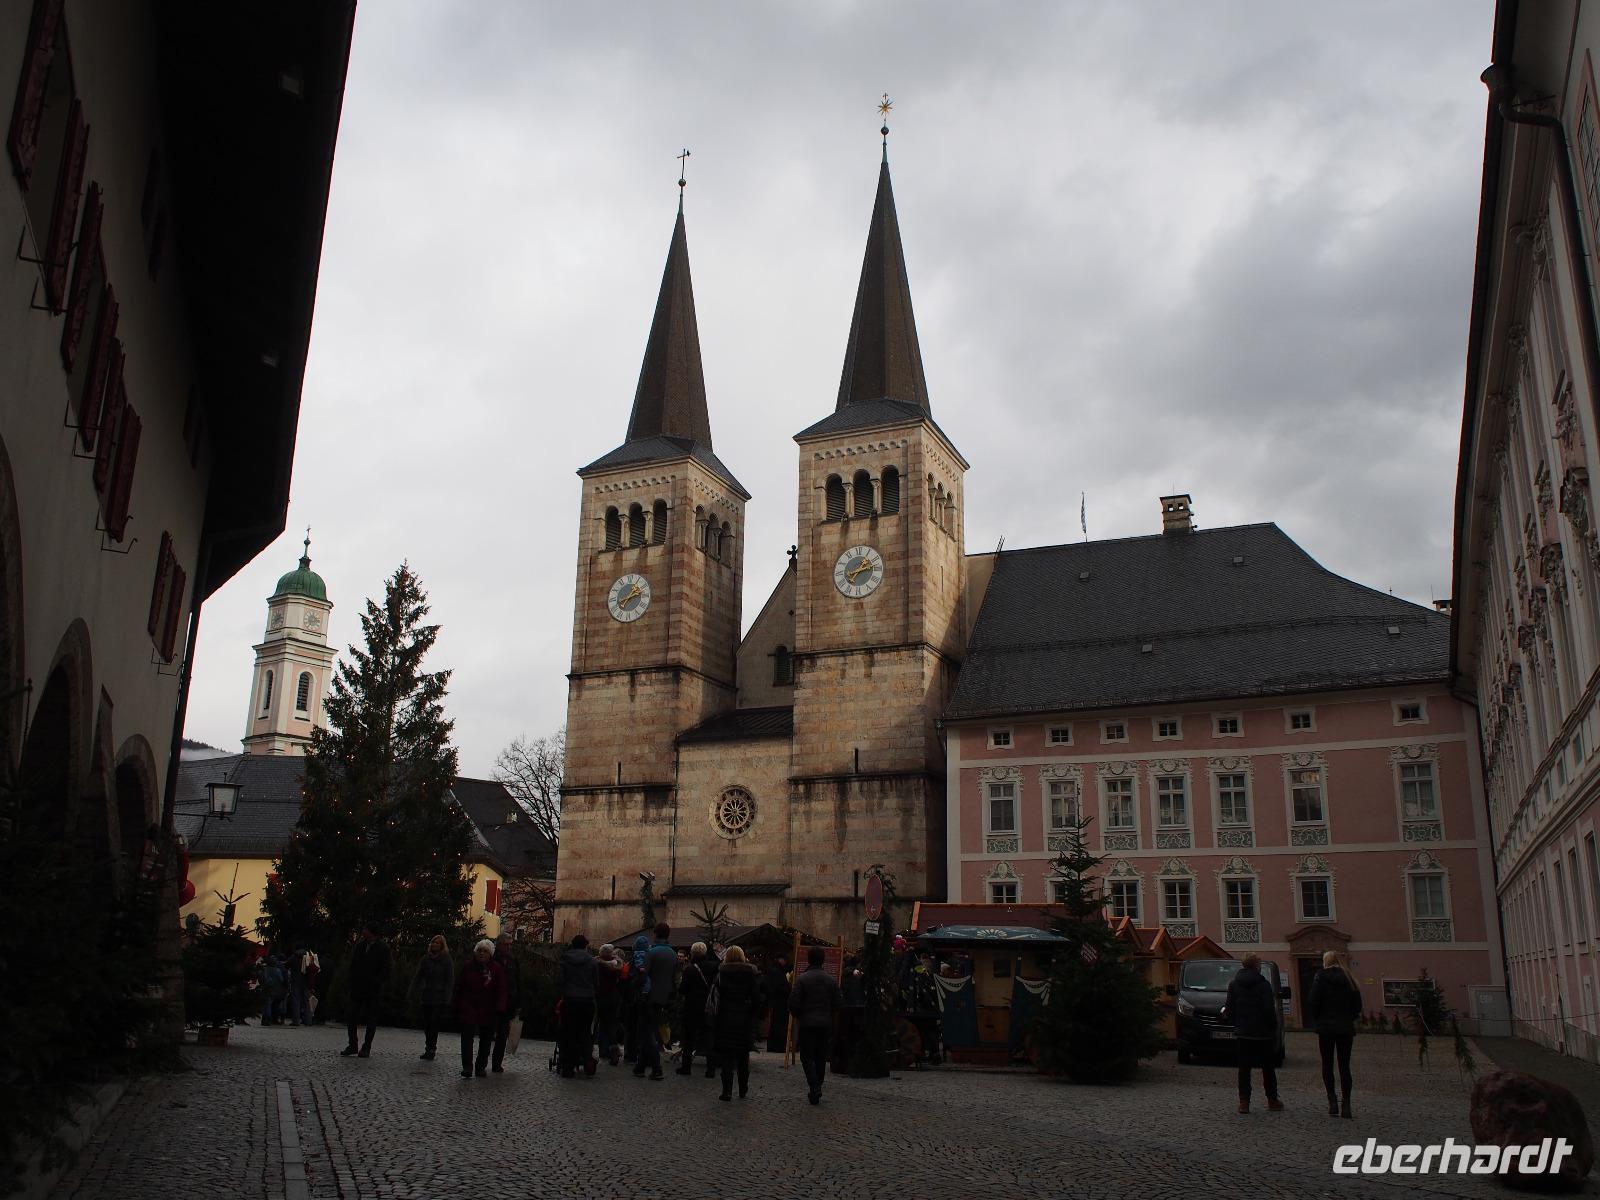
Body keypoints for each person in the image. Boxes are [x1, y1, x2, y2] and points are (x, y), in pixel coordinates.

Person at [1223, 954, 1282, 1114]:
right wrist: (1273, 1027)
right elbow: (1269, 1010)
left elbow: (1229, 1008)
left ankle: (1244, 1102)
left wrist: (1236, 1024)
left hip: (1243, 1032)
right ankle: (1272, 1099)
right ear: (1257, 966)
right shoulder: (1264, 985)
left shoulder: (1234, 984)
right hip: (1262, 1033)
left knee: (1244, 1069)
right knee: (1268, 1068)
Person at [1309, 950, 1363, 1118]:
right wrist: (1348, 1018)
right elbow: (1357, 1006)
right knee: (1344, 1066)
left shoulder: (1320, 978)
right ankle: (1346, 1103)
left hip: (1325, 1028)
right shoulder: (1349, 979)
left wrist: (1318, 1018)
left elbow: (1313, 1001)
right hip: (1345, 1027)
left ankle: (1332, 1101)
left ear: (1325, 962)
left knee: (1327, 1065)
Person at [709, 945, 764, 1100]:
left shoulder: (721, 974)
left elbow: (714, 998)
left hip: (725, 1019)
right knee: (742, 1057)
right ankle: (743, 1089)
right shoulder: (750, 975)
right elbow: (756, 999)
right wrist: (752, 1015)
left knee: (727, 1057)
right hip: (743, 1019)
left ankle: (726, 1091)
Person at [790, 946, 842, 1105]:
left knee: (806, 1056)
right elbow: (838, 1003)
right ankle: (817, 1084)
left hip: (807, 1023)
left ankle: (814, 1085)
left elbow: (793, 1003)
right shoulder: (831, 980)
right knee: (820, 1056)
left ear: (809, 959)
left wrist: (800, 1015)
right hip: (825, 1023)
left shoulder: (802, 979)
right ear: (823, 960)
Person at [453, 938, 505, 1078]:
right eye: (480, 951)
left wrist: (500, 1006)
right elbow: (459, 986)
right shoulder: (467, 966)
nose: (482, 954)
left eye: (485, 951)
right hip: (469, 1006)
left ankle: (481, 1066)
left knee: (486, 1040)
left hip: (488, 1008)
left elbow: (501, 989)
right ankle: (467, 1067)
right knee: (467, 1038)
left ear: (490, 954)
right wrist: (457, 1004)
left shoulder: (496, 969)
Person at [341, 924, 391, 1058]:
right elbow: (353, 965)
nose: (363, 932)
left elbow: (386, 969)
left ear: (372, 932)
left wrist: (376, 982)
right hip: (357, 988)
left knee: (371, 1019)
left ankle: (366, 1046)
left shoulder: (383, 948)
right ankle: (352, 1044)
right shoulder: (360, 946)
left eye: (365, 930)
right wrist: (351, 981)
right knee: (351, 1015)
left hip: (373, 990)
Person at [634, 922, 675, 1080]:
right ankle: (641, 1066)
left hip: (648, 996)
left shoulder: (651, 952)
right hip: (663, 998)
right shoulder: (672, 953)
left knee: (647, 1032)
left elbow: (644, 975)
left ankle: (657, 1068)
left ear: (656, 934)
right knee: (650, 1030)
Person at [557, 934, 598, 1077]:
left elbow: (560, 980)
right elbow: (596, 982)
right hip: (587, 1001)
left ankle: (568, 1066)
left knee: (568, 1033)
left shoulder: (565, 959)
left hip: (570, 1000)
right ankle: (587, 1061)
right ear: (585, 946)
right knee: (585, 1032)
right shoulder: (592, 961)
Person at [409, 934, 454, 1061]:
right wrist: (412, 991)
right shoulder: (426, 959)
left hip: (439, 997)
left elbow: (449, 980)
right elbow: (418, 976)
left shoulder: (446, 960)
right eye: (433, 942)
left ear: (442, 945)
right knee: (427, 1023)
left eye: (438, 943)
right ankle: (428, 1046)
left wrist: (447, 997)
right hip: (427, 995)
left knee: (434, 1023)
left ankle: (431, 1048)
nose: (435, 945)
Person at [676, 942, 713, 1076]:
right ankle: (710, 1069)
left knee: (689, 1038)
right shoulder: (712, 967)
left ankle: (686, 1067)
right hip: (708, 1007)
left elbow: (683, 989)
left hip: (692, 1007)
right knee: (708, 1037)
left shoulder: (690, 969)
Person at [490, 933, 522, 1073]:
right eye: (506, 944)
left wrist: (518, 1002)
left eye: (510, 945)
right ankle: (483, 1061)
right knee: (488, 1033)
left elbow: (517, 981)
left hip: (509, 1001)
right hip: (493, 1000)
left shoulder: (512, 960)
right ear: (499, 944)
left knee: (502, 1034)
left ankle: (497, 1063)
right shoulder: (492, 958)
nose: (508, 947)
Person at [595, 944, 624, 1065]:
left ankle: (603, 1050)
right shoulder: (616, 964)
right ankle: (613, 1051)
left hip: (600, 997)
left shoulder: (596, 964)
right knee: (611, 1025)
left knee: (601, 1024)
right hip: (613, 997)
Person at [764, 954, 792, 1053]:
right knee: (779, 1024)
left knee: (776, 1023)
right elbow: (781, 987)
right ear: (781, 960)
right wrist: (789, 988)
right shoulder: (777, 971)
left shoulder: (774, 970)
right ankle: (777, 1046)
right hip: (780, 1001)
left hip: (776, 1001)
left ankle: (774, 1045)